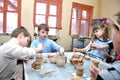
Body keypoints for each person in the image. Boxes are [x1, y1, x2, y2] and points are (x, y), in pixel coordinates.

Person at [90, 11, 120, 80]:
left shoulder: (111, 74)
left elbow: (112, 56)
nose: (112, 37)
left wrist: (101, 77)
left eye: (113, 33)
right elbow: (114, 58)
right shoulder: (95, 40)